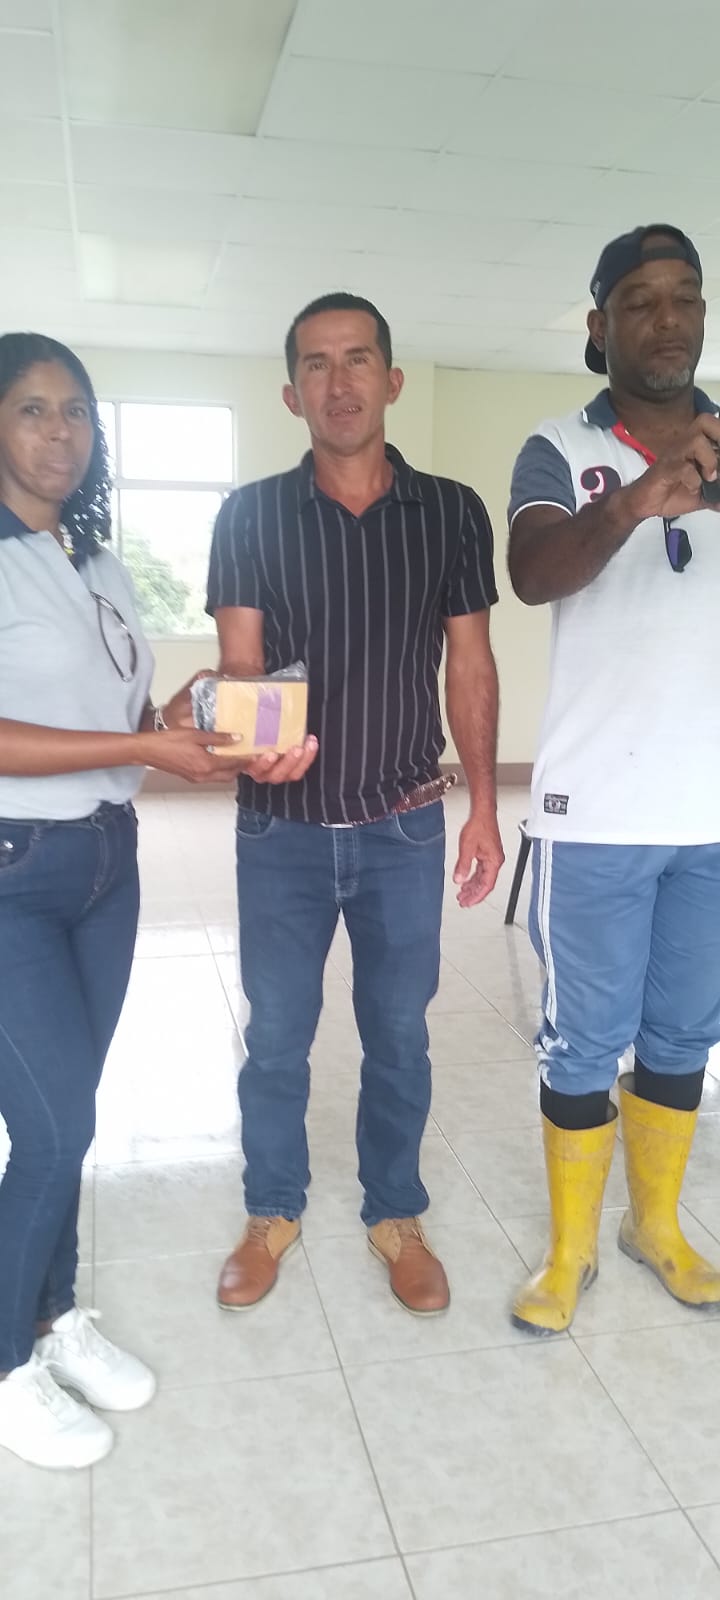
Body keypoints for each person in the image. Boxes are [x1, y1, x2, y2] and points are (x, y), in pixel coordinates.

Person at [207, 291, 502, 1315]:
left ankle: (395, 1212)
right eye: (317, 364)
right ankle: (271, 1209)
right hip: (280, 832)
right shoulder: (248, 515)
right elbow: (242, 662)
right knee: (276, 1036)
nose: (339, 382)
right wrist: (247, 734)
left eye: (358, 359)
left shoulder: (453, 511)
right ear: (292, 393)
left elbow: (471, 665)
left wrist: (483, 807)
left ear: (392, 379)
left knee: (400, 1035)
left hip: (403, 827)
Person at [0, 332, 247, 1469]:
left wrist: (170, 715)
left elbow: (114, 711)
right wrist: (141, 744)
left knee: (71, 1117)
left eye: (77, 412)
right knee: (55, 1127)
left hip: (106, 864)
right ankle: (8, 1364)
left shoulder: (94, 559)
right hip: (14, 871)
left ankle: (53, 1315)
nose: (60, 432)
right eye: (32, 409)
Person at [507, 224, 720, 1335]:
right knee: (583, 1042)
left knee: (684, 1036)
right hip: (593, 811)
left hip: (711, 816)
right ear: (600, 326)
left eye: (685, 296)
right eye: (640, 301)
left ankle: (658, 1228)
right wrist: (638, 500)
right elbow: (534, 572)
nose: (668, 318)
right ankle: (570, 1251)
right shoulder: (558, 446)